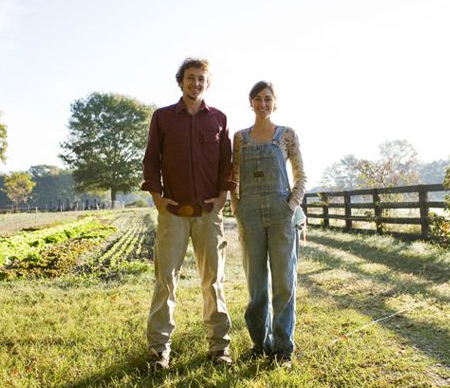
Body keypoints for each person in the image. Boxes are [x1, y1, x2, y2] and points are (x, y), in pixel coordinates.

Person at [141, 58, 235, 369]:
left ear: (208, 83)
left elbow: (227, 165)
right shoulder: (163, 117)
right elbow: (151, 161)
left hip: (209, 213)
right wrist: (158, 199)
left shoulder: (219, 119)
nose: (196, 83)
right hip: (174, 213)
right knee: (165, 280)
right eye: (190, 78)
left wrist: (222, 197)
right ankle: (159, 351)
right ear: (181, 81)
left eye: (201, 79)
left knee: (213, 280)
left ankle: (220, 348)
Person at [230, 81, 306, 367]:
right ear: (250, 102)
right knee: (256, 285)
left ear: (275, 103)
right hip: (249, 213)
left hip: (281, 214)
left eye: (268, 99)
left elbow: (301, 176)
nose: (263, 103)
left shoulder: (286, 135)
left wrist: (291, 206)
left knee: (284, 282)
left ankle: (283, 349)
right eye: (257, 98)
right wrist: (236, 207)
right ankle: (261, 344)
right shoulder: (239, 138)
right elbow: (232, 177)